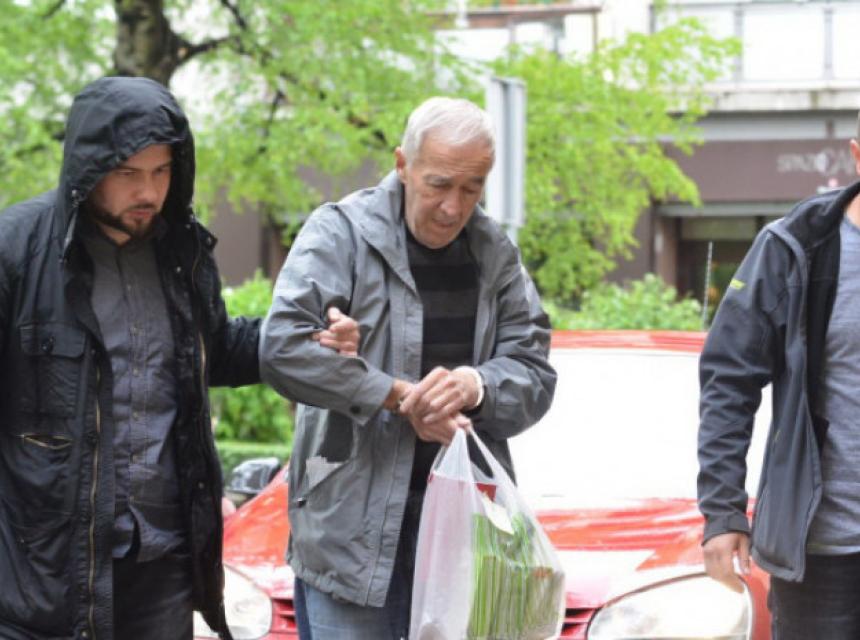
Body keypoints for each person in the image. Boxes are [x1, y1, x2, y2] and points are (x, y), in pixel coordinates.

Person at [0, 76, 358, 640]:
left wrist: (308, 340)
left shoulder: (181, 252)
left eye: (161, 171)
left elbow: (216, 349)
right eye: (128, 173)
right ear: (88, 168)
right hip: (43, 572)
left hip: (163, 559)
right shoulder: (16, 250)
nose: (148, 191)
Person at [260, 96, 557, 639]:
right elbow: (281, 349)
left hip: (467, 541)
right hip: (350, 537)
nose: (453, 207)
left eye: (472, 188)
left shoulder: (495, 253)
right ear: (402, 164)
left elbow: (535, 374)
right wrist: (397, 396)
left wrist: (474, 386)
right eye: (439, 184)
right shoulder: (339, 234)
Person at [698, 116, 860, 638]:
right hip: (824, 558)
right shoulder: (796, 246)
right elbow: (729, 379)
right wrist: (723, 510)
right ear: (858, 155)